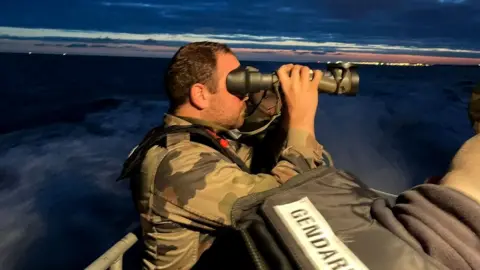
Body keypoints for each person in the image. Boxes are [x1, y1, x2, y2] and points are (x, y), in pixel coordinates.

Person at [124, 41, 333, 270]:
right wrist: (302, 118)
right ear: (200, 95)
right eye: (236, 84)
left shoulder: (204, 142)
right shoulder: (179, 164)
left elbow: (262, 162)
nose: (244, 96)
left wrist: (280, 110)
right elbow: (286, 205)